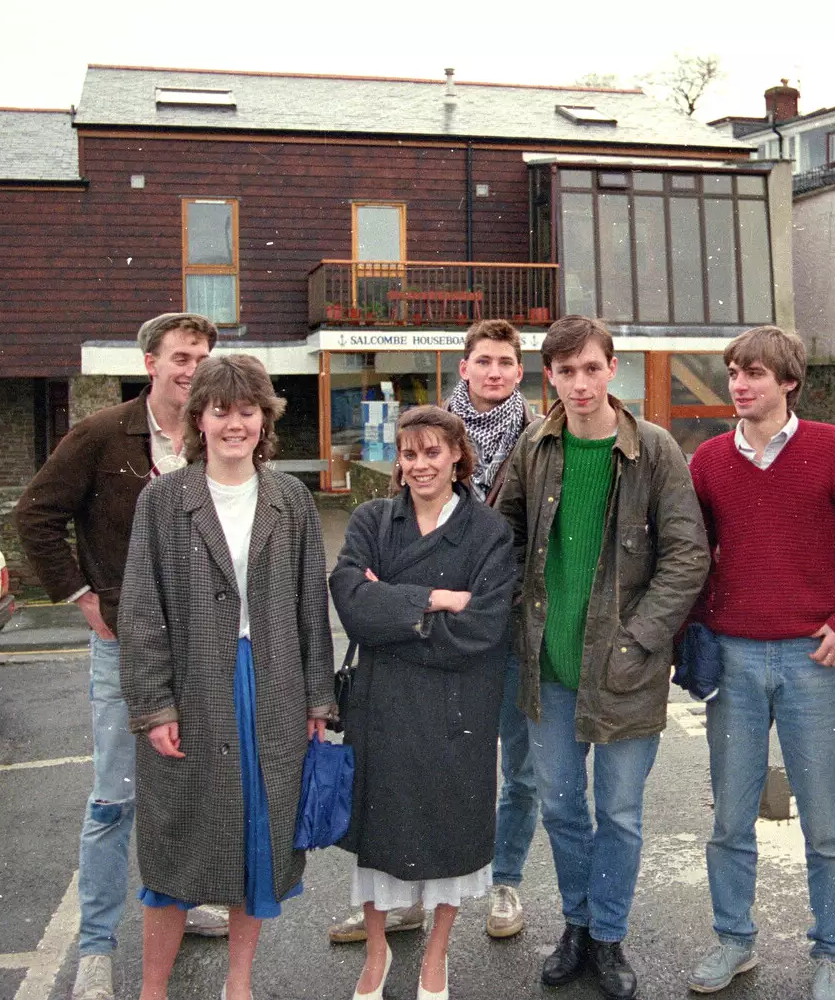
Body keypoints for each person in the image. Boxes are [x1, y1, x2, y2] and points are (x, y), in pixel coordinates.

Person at [494, 315, 709, 1000]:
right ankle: (578, 923)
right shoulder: (535, 444)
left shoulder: (656, 449)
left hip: (626, 668)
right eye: (565, 371)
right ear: (548, 375)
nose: (579, 383)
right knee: (561, 806)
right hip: (548, 667)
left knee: (618, 811)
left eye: (591, 368)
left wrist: (641, 634)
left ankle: (609, 933)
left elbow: (687, 553)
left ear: (611, 368)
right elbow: (501, 535)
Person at [15, 312, 228, 1000]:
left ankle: (183, 898)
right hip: (123, 647)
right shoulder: (103, 435)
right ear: (151, 364)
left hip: (201, 646)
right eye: (180, 356)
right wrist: (81, 597)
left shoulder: (210, 437)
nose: (190, 367)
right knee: (114, 797)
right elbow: (35, 515)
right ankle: (98, 950)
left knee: (186, 787)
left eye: (200, 356)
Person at [684, 327, 835, 1000]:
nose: (740, 384)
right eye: (733, 373)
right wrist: (693, 637)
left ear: (788, 381)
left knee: (826, 821)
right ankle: (734, 941)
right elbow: (690, 560)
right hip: (734, 659)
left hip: (812, 660)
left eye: (754, 373)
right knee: (730, 817)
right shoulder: (710, 461)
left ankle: (833, 950)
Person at [118, 355, 335, 1000]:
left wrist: (317, 697)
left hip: (272, 688)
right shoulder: (163, 500)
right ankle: (152, 989)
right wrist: (155, 706)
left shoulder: (290, 499)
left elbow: (309, 609)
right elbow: (139, 608)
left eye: (247, 411)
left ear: (264, 420)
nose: (234, 424)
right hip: (193, 689)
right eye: (221, 411)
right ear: (199, 419)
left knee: (257, 843)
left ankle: (237, 983)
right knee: (176, 839)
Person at [329, 405, 516, 1000]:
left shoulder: (489, 532)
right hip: (381, 706)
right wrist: (437, 597)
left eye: (433, 452)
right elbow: (352, 603)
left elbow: (483, 628)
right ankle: (378, 954)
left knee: (449, 833)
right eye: (409, 454)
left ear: (458, 455)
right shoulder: (372, 521)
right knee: (377, 835)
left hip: (456, 707)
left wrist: (395, 613)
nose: (420, 465)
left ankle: (436, 959)